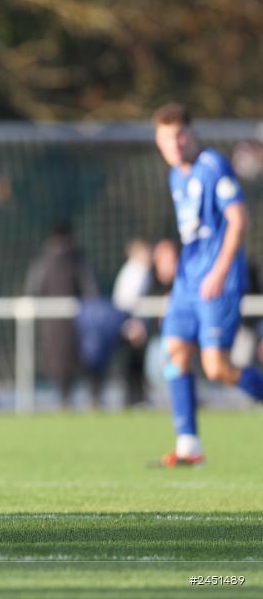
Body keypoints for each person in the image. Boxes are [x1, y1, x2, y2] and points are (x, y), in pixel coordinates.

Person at [152, 103, 263, 466]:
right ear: (159, 140)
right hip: (188, 282)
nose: (175, 144)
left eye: (180, 135)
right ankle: (188, 445)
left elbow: (238, 219)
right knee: (175, 353)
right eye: (167, 137)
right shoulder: (175, 176)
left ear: (191, 134)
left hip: (219, 281)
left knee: (216, 368)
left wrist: (219, 270)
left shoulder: (212, 166)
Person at [24, 221, 100, 408]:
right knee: (82, 360)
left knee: (61, 363)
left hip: (55, 324)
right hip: (77, 322)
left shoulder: (44, 260)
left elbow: (32, 289)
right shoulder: (77, 260)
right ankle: (88, 399)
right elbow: (90, 289)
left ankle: (67, 400)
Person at [112, 238, 154, 406]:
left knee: (135, 362)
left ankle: (136, 397)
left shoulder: (134, 270)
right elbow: (128, 301)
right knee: (133, 362)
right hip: (131, 323)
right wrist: (133, 325)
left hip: (130, 322)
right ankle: (134, 398)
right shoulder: (136, 270)